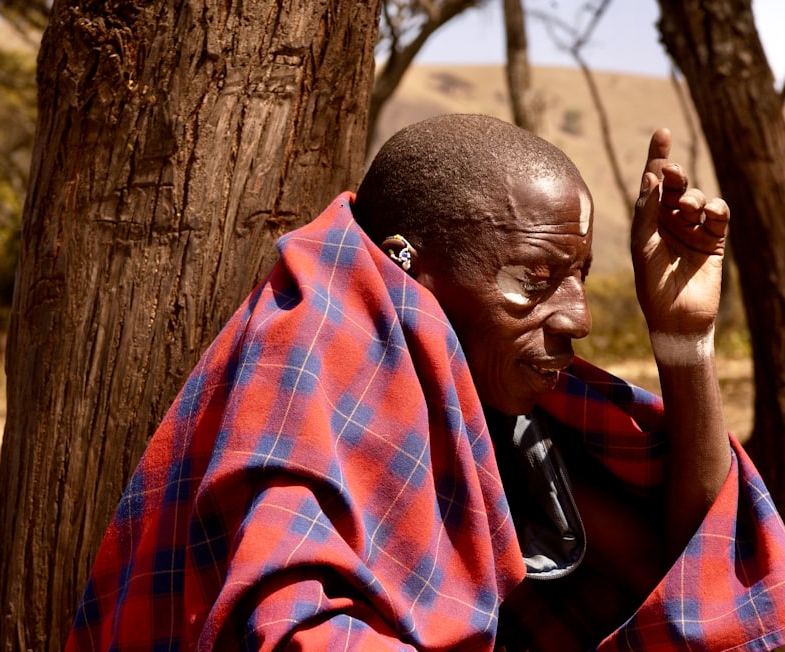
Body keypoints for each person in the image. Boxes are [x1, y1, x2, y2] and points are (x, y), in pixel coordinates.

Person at [66, 114, 785, 650]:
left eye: (578, 278)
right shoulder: (311, 363)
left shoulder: (489, 402)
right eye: (534, 281)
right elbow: (288, 628)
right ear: (403, 264)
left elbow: (699, 571)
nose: (579, 320)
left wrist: (684, 341)